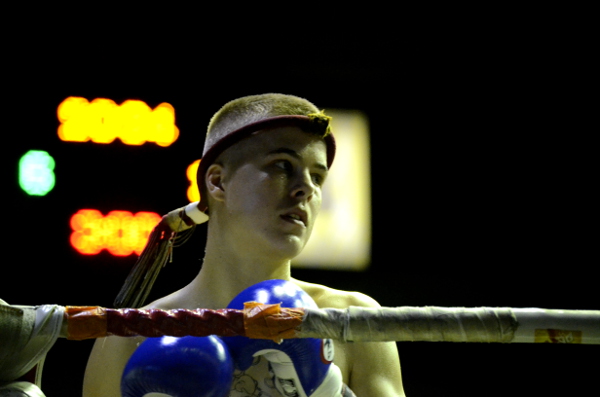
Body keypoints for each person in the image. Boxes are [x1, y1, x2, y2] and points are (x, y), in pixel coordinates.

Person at [83, 93, 405, 396]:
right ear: (217, 182)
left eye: (318, 177)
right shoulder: (130, 337)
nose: (306, 188)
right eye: (282, 165)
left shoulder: (351, 320)